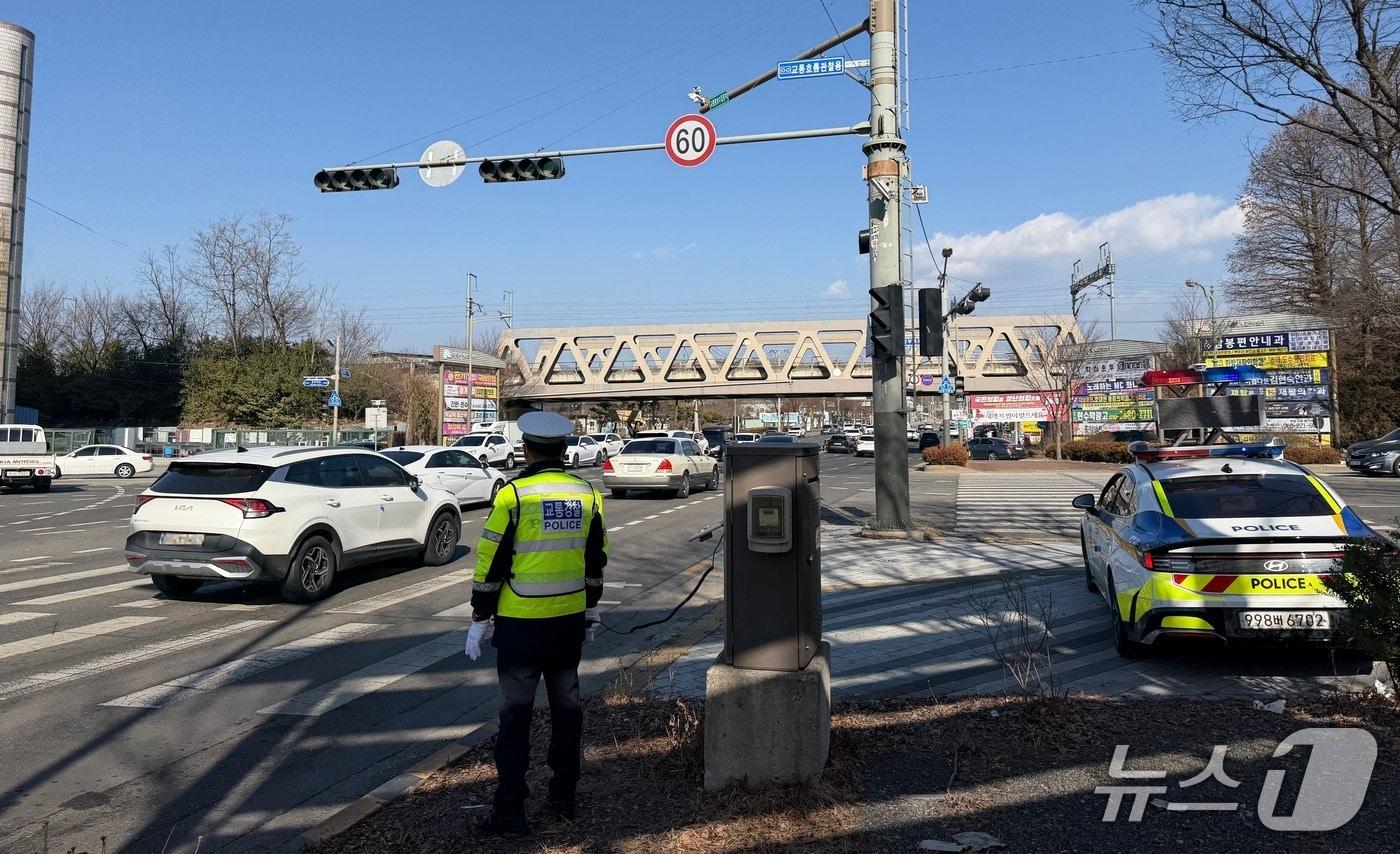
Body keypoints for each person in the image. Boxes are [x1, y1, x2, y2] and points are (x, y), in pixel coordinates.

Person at [465, 410, 608, 838]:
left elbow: (491, 558)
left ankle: (511, 811)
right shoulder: (587, 494)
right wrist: (591, 604)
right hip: (567, 622)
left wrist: (479, 614)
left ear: (526, 449)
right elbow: (595, 558)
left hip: (520, 623)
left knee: (515, 718)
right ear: (564, 449)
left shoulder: (513, 495)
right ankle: (564, 797)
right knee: (567, 712)